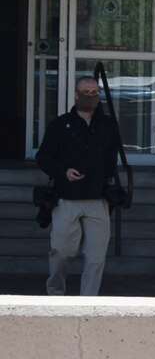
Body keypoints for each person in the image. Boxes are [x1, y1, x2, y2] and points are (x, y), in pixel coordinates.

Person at [36, 73, 122, 296]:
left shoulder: (107, 125)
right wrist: (63, 171)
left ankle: (88, 302)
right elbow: (43, 157)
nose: (91, 96)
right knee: (61, 252)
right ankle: (56, 294)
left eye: (95, 93)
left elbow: (112, 157)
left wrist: (108, 181)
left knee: (96, 257)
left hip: (98, 200)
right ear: (76, 95)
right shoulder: (60, 124)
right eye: (87, 93)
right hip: (66, 198)